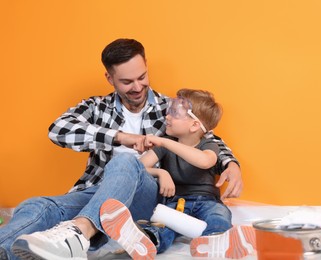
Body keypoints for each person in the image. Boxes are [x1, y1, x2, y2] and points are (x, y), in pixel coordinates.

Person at [0, 38, 243, 260]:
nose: (137, 87)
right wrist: (119, 137)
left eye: (142, 77)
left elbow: (206, 137)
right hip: (99, 191)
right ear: (109, 78)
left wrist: (231, 164)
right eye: (127, 81)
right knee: (37, 206)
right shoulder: (96, 107)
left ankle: (79, 234)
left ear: (146, 66)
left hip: (147, 195)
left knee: (125, 162)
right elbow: (58, 130)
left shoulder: (168, 108)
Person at [99, 89, 256, 259]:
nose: (167, 116)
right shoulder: (164, 145)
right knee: (163, 226)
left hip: (207, 201)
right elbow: (138, 168)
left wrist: (164, 141)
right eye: (169, 111)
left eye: (174, 113)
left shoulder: (209, 145)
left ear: (194, 125)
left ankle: (215, 242)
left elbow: (204, 161)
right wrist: (161, 172)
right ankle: (145, 242)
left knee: (219, 215)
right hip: (176, 203)